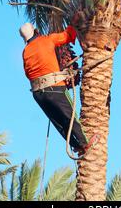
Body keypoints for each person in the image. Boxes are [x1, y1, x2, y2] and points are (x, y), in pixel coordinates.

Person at [19, 22, 98, 155]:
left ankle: (75, 146)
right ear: (35, 30)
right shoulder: (47, 40)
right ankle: (84, 143)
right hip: (55, 88)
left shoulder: (25, 52)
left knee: (58, 122)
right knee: (69, 116)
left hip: (38, 94)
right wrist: (74, 22)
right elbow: (68, 35)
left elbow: (28, 73)